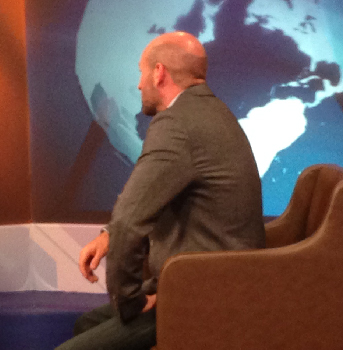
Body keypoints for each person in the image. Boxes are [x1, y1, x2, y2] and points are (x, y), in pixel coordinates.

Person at [55, 32, 266, 350]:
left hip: (202, 294)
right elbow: (154, 198)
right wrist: (108, 235)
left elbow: (130, 220)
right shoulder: (213, 113)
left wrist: (130, 302)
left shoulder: (177, 125)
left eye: (141, 72)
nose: (139, 84)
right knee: (87, 324)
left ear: (159, 72)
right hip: (224, 280)